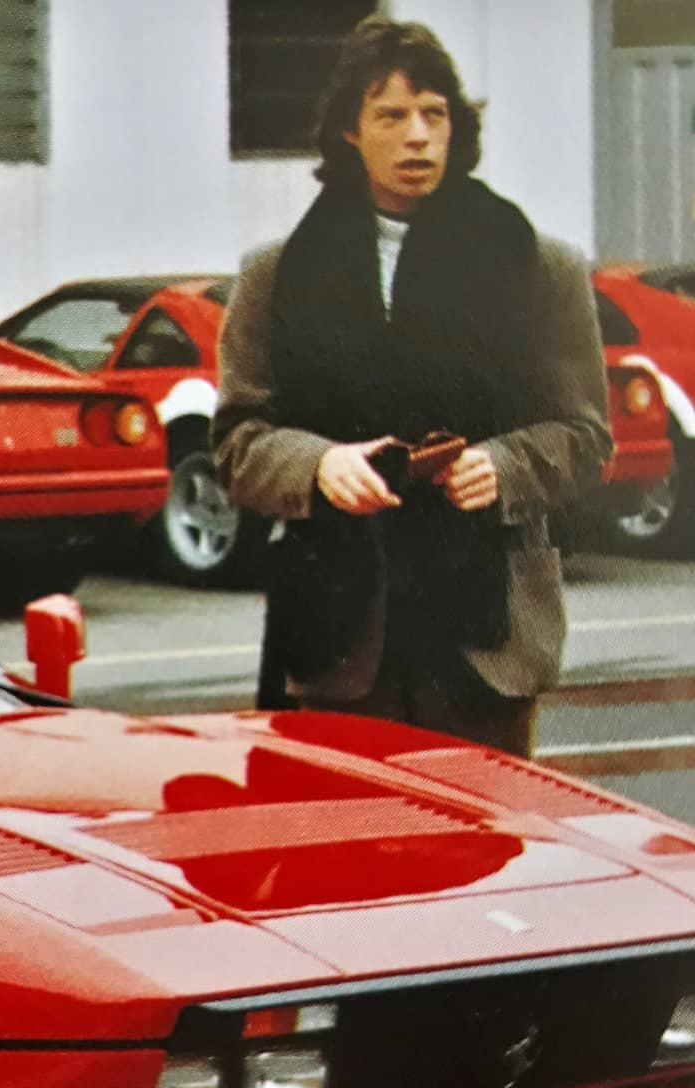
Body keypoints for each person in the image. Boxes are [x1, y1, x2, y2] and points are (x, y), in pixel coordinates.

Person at [211, 17, 612, 757]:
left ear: (458, 126)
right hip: (339, 640)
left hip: (485, 644)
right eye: (391, 116)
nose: (418, 136)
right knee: (352, 833)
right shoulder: (277, 273)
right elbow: (237, 442)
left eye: (434, 113)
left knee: (483, 831)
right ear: (350, 132)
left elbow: (586, 437)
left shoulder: (539, 265)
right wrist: (317, 465)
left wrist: (504, 465)